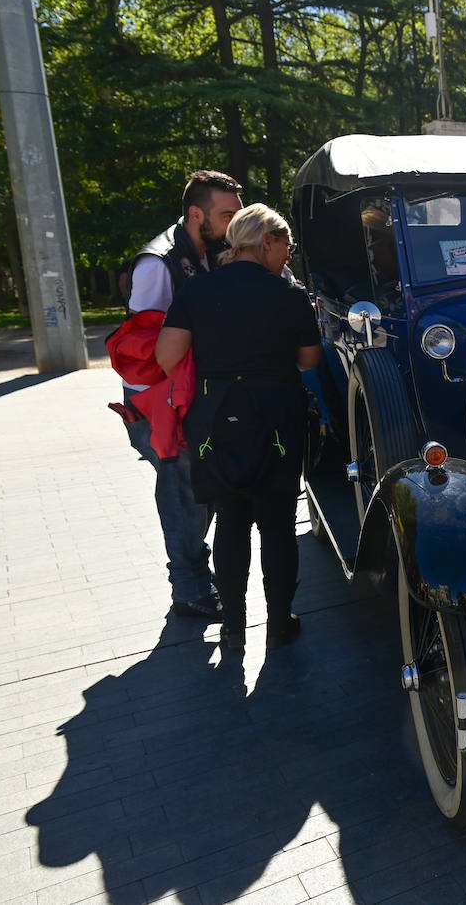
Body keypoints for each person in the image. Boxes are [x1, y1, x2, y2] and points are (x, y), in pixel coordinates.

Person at [155, 204, 321, 649]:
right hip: (277, 415)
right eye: (286, 245)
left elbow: (166, 358)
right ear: (266, 241)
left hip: (217, 417)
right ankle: (281, 621)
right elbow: (309, 360)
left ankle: (232, 624)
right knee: (278, 524)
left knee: (231, 519)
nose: (289, 255)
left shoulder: (198, 289)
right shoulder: (290, 296)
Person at [116, 170, 244, 620]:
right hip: (160, 404)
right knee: (184, 493)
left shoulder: (208, 251)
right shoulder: (157, 263)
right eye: (227, 214)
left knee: (200, 491)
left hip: (191, 396)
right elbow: (145, 347)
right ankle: (188, 588)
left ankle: (194, 579)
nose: (235, 222)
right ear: (196, 214)